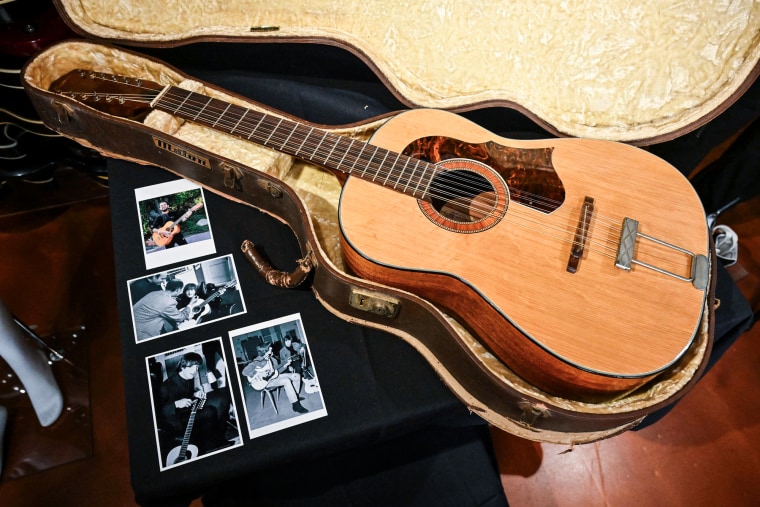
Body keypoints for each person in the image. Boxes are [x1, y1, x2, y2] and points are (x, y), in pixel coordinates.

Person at [159, 352, 229, 463]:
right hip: (176, 420)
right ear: (183, 366)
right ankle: (212, 444)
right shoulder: (166, 386)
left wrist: (195, 394)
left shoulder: (189, 377)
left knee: (221, 401)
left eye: (197, 367)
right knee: (209, 412)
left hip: (188, 410)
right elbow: (159, 412)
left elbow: (186, 395)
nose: (195, 370)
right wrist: (176, 404)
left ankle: (216, 440)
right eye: (192, 366)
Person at [242, 344, 308, 414]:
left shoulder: (272, 359)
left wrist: (285, 365)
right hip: (265, 382)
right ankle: (295, 405)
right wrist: (260, 374)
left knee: (296, 376)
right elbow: (244, 372)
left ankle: (295, 396)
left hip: (273, 377)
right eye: (270, 349)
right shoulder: (258, 361)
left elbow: (276, 372)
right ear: (265, 351)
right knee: (286, 381)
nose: (271, 350)